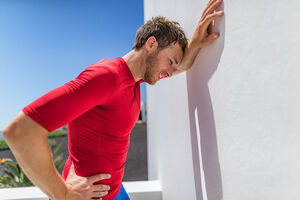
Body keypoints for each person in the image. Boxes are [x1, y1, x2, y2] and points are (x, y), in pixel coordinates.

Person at [2, 0, 224, 199]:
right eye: (171, 61)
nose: (171, 71)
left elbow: (180, 67)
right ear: (151, 44)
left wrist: (194, 44)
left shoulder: (134, 81)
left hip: (116, 192)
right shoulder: (107, 77)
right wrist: (63, 194)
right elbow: (20, 131)